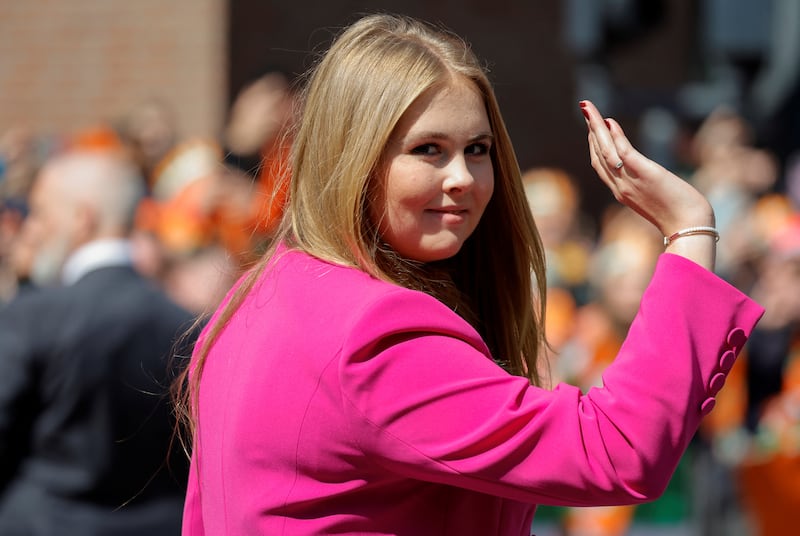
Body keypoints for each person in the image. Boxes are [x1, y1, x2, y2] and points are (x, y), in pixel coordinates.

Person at [175, 13, 764, 536]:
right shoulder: (373, 333)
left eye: (477, 149)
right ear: (350, 156)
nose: (463, 177)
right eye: (428, 149)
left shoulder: (257, 297)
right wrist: (689, 230)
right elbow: (617, 451)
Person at [0, 149, 197, 534]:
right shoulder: (184, 325)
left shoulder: (31, 317)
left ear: (81, 218)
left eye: (39, 212)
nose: (31, 228)